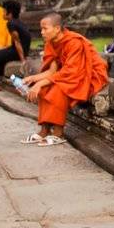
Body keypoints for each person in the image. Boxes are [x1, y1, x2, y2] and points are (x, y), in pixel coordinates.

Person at [20, 12, 107, 146]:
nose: (42, 32)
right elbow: (52, 71)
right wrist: (33, 79)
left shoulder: (74, 42)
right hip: (69, 74)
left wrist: (40, 82)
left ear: (57, 28)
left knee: (58, 89)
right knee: (44, 88)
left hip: (89, 75)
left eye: (45, 29)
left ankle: (58, 133)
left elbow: (70, 72)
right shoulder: (50, 42)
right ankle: (45, 130)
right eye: (41, 29)